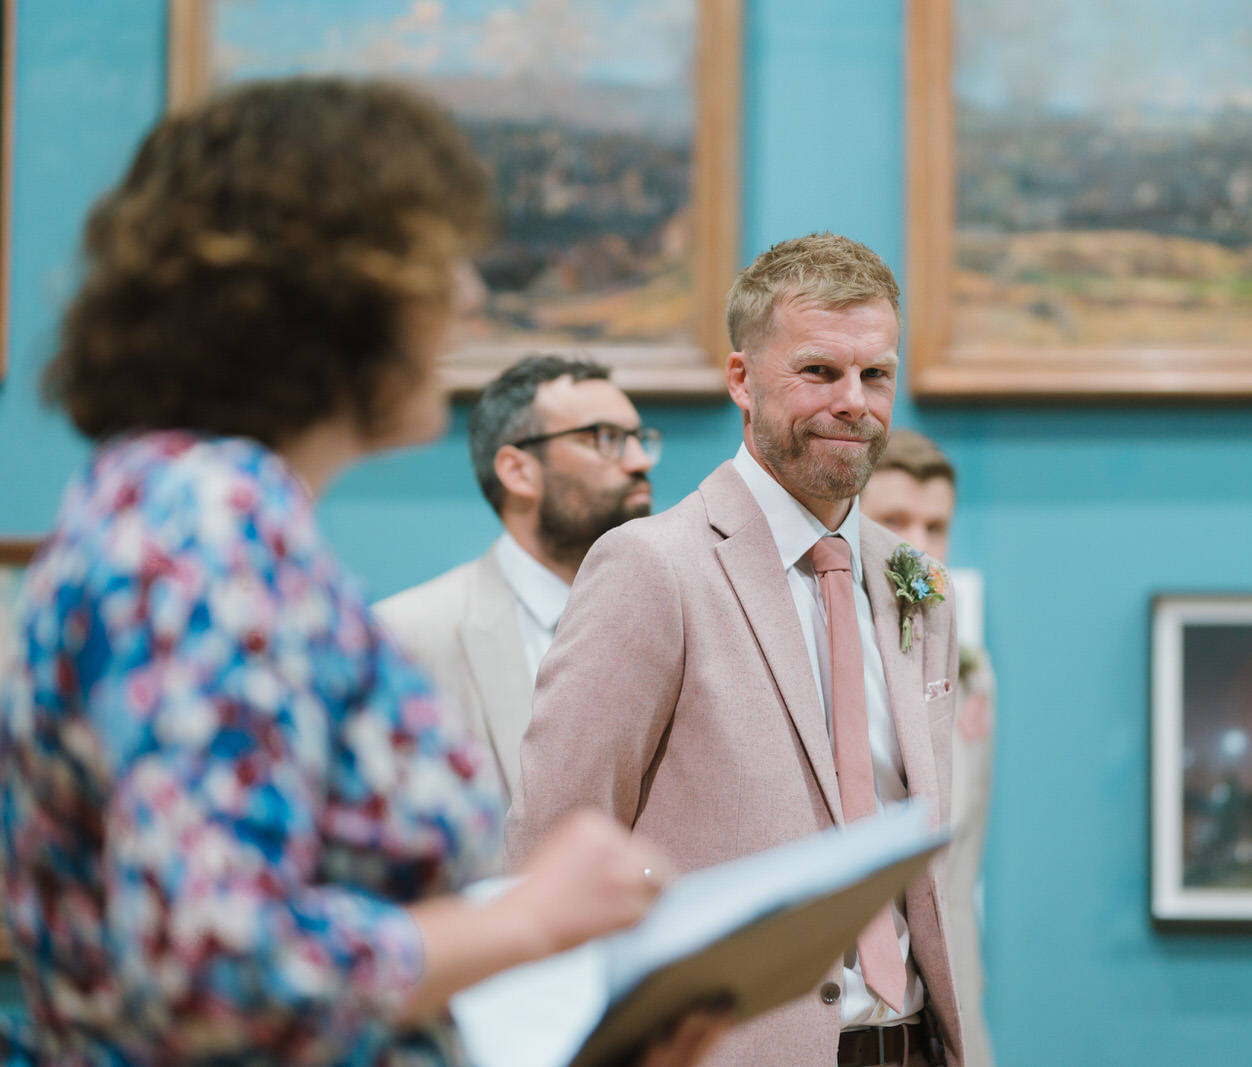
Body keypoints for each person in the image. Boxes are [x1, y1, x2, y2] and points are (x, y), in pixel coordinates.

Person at [0, 78, 720, 1067]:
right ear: (329, 288)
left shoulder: (178, 500)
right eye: (440, 264)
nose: (467, 298)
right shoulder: (208, 523)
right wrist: (534, 919)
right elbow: (212, 965)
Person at [506, 233, 967, 1067]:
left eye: (877, 374)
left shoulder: (918, 583)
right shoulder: (654, 566)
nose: (855, 402)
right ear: (741, 380)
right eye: (819, 372)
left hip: (914, 1044)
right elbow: (555, 839)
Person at [376, 355, 660, 798]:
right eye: (607, 439)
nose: (640, 460)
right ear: (517, 470)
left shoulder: (676, 614)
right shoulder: (405, 638)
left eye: (639, 438)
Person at [860, 431, 995, 1067]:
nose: (917, 544)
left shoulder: (973, 671)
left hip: (937, 1016)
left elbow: (960, 869)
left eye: (935, 525)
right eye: (893, 520)